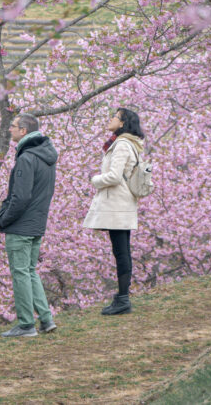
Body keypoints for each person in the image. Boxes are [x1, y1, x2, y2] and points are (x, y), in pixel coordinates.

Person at [0, 113, 59, 337]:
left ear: (23, 131)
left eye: (12, 127)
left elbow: (20, 197)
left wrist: (3, 219)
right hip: (37, 223)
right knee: (30, 271)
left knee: (20, 273)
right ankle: (46, 319)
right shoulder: (45, 156)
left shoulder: (26, 158)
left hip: (21, 226)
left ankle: (25, 325)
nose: (9, 130)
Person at [82, 107, 145, 315]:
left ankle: (123, 299)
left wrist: (95, 180)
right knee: (122, 250)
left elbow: (114, 177)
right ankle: (122, 297)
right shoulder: (129, 144)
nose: (110, 119)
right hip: (122, 203)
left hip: (117, 205)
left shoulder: (122, 145)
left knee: (121, 251)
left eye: (114, 117)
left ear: (123, 123)